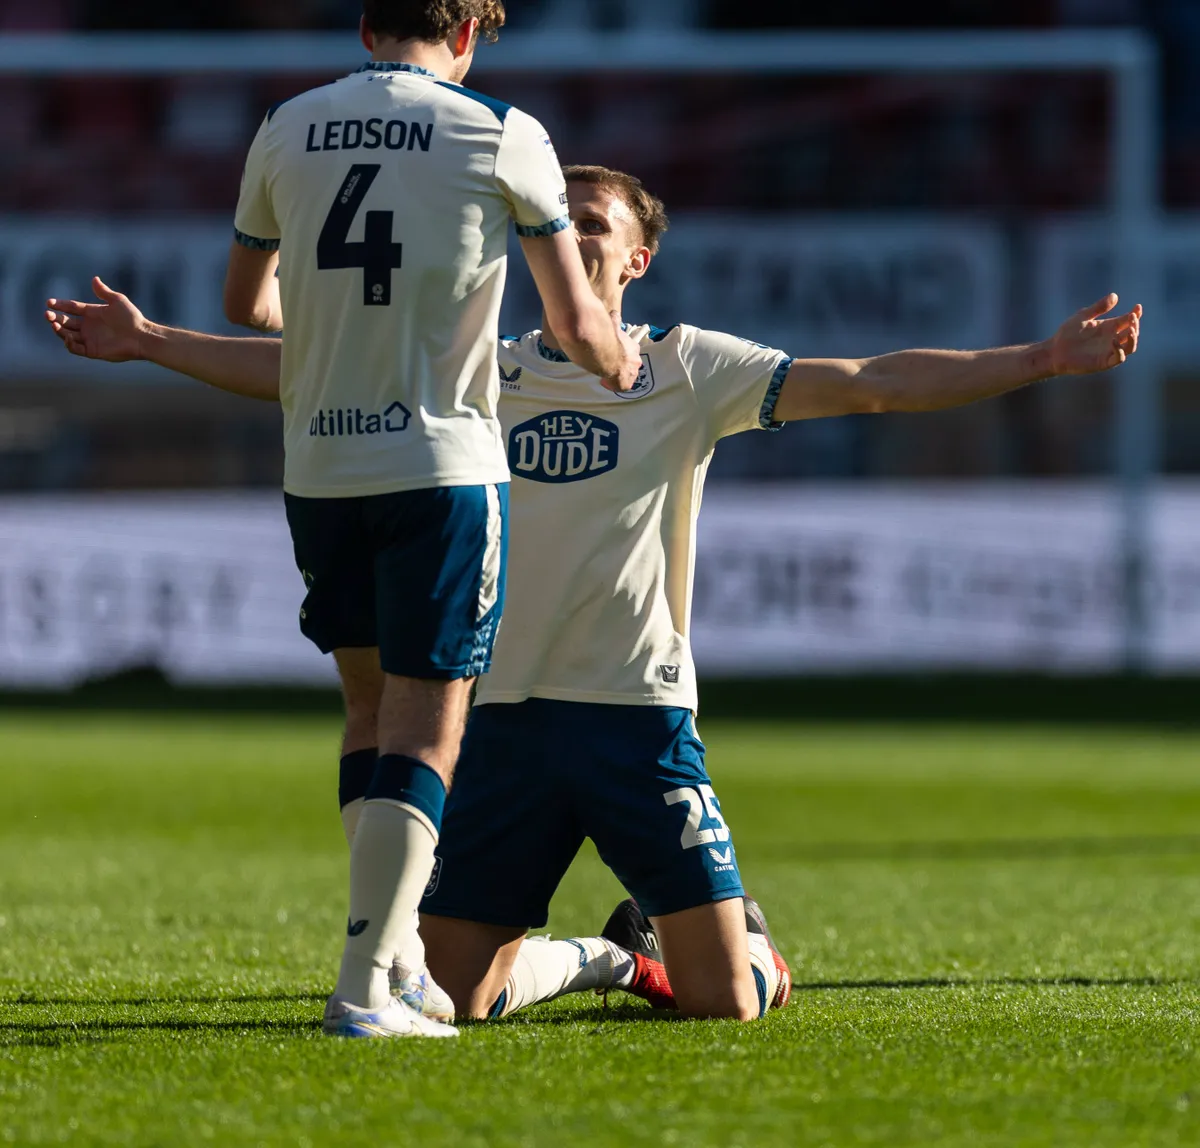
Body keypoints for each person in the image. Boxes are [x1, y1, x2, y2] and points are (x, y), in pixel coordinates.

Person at [46, 165, 1141, 1024]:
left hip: (635, 717)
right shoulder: (484, 363)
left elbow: (875, 384)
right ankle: (618, 955)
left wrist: (1043, 358)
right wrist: (149, 344)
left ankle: (727, 942)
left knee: (731, 1002)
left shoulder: (689, 368)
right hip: (500, 721)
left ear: (638, 257)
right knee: (454, 995)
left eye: (588, 221)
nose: (563, 235)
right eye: (551, 222)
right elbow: (307, 378)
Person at [216, 0, 642, 1040]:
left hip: (320, 466)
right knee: (430, 726)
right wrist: (619, 364)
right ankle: (365, 987)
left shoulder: (286, 124)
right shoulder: (501, 130)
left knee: (368, 715)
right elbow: (574, 322)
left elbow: (245, 302)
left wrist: (325, 327)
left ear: (367, 30)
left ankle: (396, 955)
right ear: (467, 37)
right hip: (439, 465)